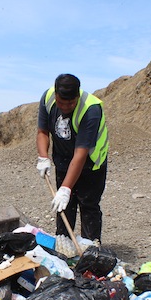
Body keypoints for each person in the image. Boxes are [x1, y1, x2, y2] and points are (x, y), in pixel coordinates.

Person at [36, 73, 109, 243]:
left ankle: (90, 249)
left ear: (77, 96)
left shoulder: (91, 109)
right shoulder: (47, 99)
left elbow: (81, 153)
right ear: (56, 95)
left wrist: (66, 189)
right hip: (63, 159)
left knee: (88, 205)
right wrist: (43, 158)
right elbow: (42, 132)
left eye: (70, 103)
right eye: (61, 102)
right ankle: (65, 247)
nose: (66, 106)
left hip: (91, 164)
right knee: (64, 207)